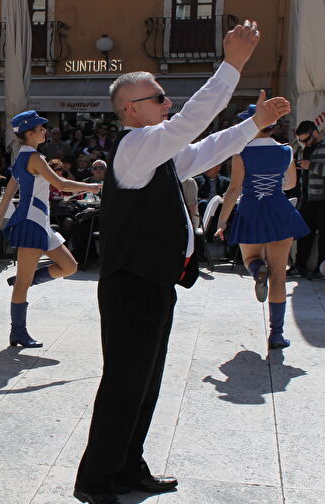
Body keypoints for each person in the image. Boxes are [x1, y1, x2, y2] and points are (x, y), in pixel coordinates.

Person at [72, 21, 291, 504]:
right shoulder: (135, 145)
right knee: (125, 382)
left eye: (166, 97)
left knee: (145, 382)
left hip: (152, 282)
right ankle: (95, 479)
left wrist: (253, 124)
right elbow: (191, 123)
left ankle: (128, 466)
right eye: (159, 98)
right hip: (130, 284)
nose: (167, 103)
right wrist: (231, 65)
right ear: (132, 109)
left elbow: (208, 147)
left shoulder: (159, 155)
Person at [0, 111, 100, 348]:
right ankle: (18, 332)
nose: (45, 131)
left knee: (69, 266)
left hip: (39, 222)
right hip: (30, 222)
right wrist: (93, 186)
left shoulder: (21, 159)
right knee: (24, 283)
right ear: (30, 133)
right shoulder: (34, 158)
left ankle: (25, 280)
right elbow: (61, 184)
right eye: (40, 128)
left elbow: (7, 196)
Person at [216, 105, 308, 349]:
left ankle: (257, 271)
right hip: (279, 210)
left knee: (251, 259)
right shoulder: (286, 150)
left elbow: (234, 189)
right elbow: (290, 184)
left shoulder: (240, 153)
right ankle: (276, 334)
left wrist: (223, 220)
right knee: (280, 274)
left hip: (250, 210)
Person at [287, 120, 325, 279]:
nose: (303, 143)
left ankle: (320, 269)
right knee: (304, 234)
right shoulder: (304, 150)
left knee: (324, 236)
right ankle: (300, 265)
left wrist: (312, 166)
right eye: (300, 141)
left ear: (315, 133)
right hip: (308, 197)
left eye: (306, 139)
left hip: (323, 199)